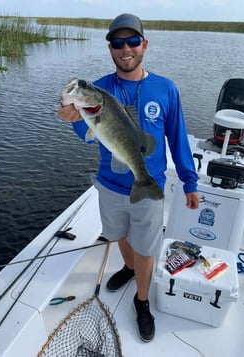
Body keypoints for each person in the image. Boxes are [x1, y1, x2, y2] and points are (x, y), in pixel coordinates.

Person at [58, 13, 199, 343]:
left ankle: (142, 301)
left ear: (144, 45)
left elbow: (178, 138)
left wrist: (189, 182)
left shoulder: (165, 88)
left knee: (146, 247)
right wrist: (72, 117)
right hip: (109, 184)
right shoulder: (99, 89)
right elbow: (86, 133)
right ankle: (127, 268)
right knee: (118, 233)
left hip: (149, 183)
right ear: (110, 49)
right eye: (118, 43)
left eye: (133, 41)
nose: (126, 48)